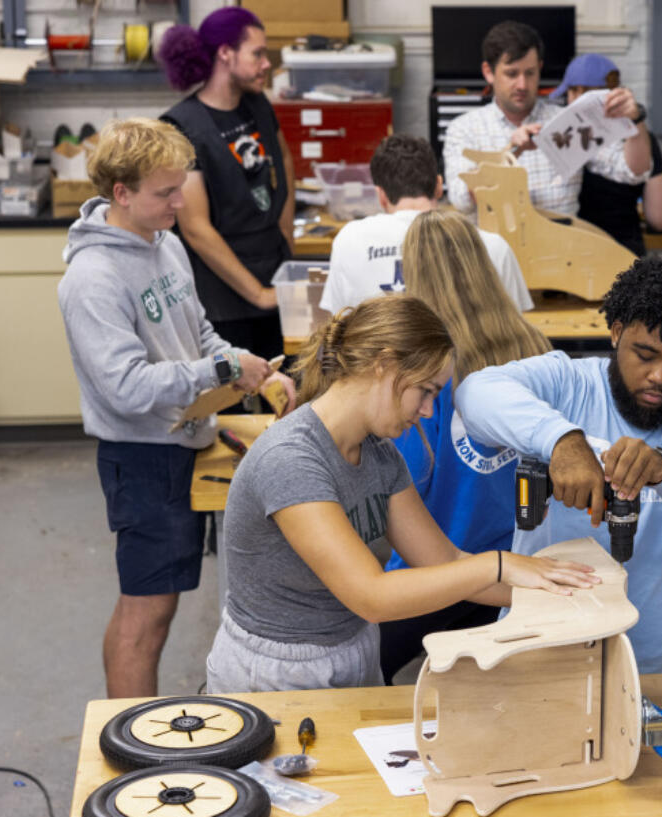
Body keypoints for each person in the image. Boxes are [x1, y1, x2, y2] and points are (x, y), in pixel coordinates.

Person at [205, 296, 598, 693]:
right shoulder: (291, 460)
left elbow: (443, 560)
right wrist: (499, 564)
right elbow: (371, 596)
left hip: (353, 647)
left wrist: (556, 595)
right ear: (384, 365)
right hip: (277, 670)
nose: (428, 411)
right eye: (425, 391)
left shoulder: (379, 453)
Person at [57, 117, 297, 699]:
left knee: (155, 603)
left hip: (188, 437)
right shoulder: (92, 277)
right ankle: (127, 749)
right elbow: (127, 389)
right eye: (165, 192)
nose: (180, 201)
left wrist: (248, 367)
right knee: (148, 612)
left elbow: (200, 333)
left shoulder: (165, 245)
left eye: (179, 186)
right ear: (122, 194)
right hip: (142, 457)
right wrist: (219, 371)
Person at [456, 256, 662, 674]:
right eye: (646, 354)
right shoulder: (567, 383)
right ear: (616, 331)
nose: (660, 376)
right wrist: (563, 441)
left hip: (655, 663)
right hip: (542, 647)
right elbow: (476, 392)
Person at [378, 210, 553, 683]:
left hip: (430, 569)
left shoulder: (423, 368)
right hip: (513, 567)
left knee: (359, 675)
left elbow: (406, 477)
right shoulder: (534, 348)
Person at [157, 7, 295, 359]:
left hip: (274, 278)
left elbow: (285, 162)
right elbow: (196, 229)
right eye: (258, 53)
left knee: (286, 399)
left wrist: (286, 241)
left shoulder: (257, 104)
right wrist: (259, 294)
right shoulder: (182, 126)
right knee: (235, 408)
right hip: (224, 304)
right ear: (225, 53)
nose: (267, 64)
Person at [443, 21, 651, 217]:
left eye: (530, 73)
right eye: (512, 74)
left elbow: (633, 172)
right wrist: (512, 153)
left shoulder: (568, 120)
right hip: (494, 252)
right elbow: (462, 199)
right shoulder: (464, 128)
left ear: (540, 69)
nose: (522, 85)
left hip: (562, 250)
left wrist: (635, 119)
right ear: (489, 72)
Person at [318, 135, 532, 316]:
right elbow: (515, 330)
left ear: (380, 195)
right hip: (469, 365)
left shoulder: (350, 240)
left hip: (377, 365)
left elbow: (339, 324)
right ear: (439, 186)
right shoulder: (492, 246)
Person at [554, 54, 662, 256]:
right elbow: (658, 219)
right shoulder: (642, 139)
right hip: (625, 253)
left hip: (573, 253)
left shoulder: (562, 137)